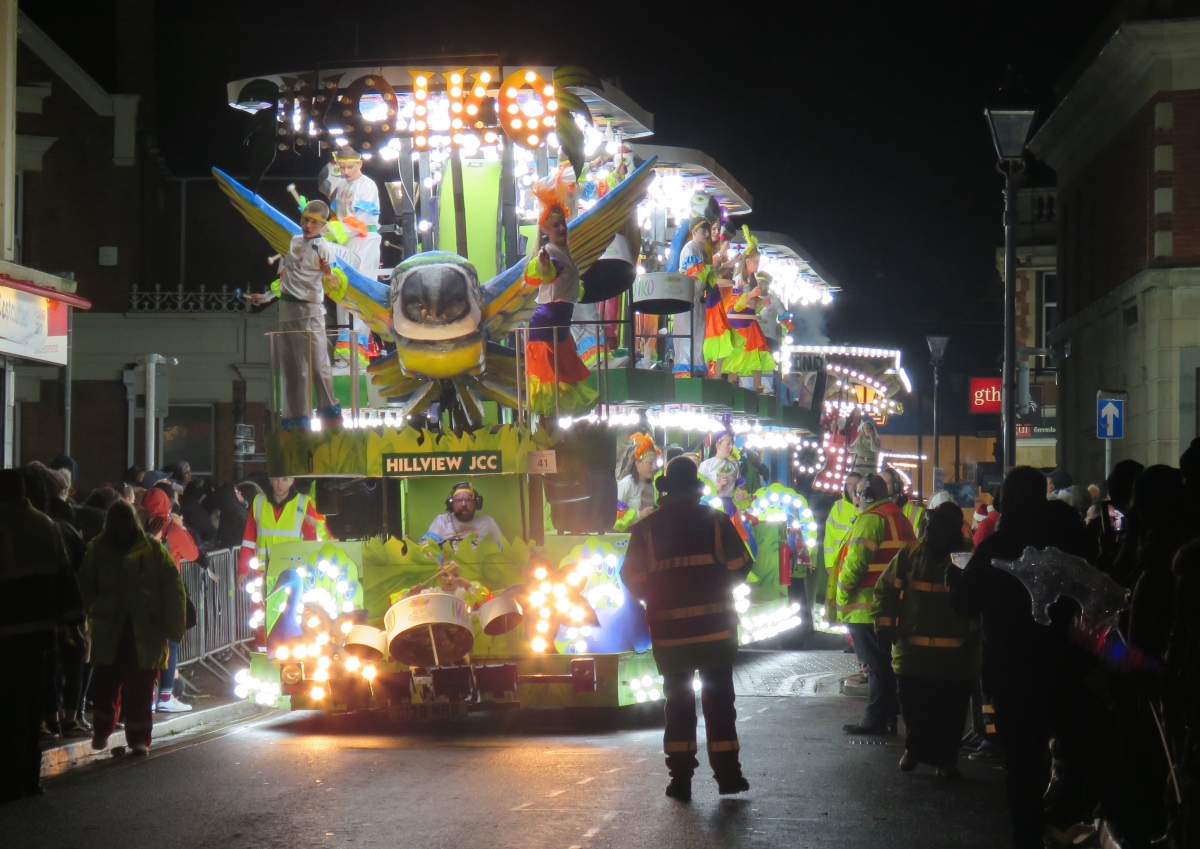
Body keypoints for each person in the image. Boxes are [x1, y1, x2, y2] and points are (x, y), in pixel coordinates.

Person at [948, 465, 1127, 849]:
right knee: (1090, 756)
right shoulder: (1073, 540)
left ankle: (1028, 838)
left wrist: (955, 582)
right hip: (1070, 668)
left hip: (1014, 673)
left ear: (1009, 499)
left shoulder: (1001, 546)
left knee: (1024, 767)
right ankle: (1124, 826)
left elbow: (966, 601)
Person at [621, 457, 752, 801]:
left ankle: (680, 780)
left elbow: (632, 579)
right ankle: (728, 777)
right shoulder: (717, 523)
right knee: (720, 702)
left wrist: (658, 598)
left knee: (677, 703)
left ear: (665, 491)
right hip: (715, 631)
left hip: (670, 634)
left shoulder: (646, 529)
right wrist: (719, 587)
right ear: (697, 488)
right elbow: (741, 565)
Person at [873, 502, 980, 778]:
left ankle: (945, 761)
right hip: (913, 654)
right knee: (913, 708)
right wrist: (884, 627)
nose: (930, 529)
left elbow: (983, 601)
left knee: (951, 713)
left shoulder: (969, 557)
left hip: (956, 655)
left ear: (952, 529)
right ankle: (914, 749)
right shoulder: (910, 554)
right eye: (930, 523)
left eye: (937, 524)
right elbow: (886, 590)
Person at [80, 501, 186, 757]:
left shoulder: (99, 550)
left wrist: (79, 623)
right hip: (138, 631)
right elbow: (174, 590)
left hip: (122, 631)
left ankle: (112, 734)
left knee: (115, 686)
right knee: (132, 687)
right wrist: (174, 627)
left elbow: (84, 589)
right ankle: (134, 739)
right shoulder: (151, 549)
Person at [0, 469, 79, 802]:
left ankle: (7, 780)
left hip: (6, 630)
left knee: (7, 706)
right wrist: (72, 624)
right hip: (42, 631)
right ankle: (30, 781)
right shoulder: (47, 526)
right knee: (33, 706)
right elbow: (66, 579)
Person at [829, 472, 916, 735]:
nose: (854, 496)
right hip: (892, 604)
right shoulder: (898, 518)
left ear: (867, 495)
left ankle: (876, 718)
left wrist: (842, 593)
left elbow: (855, 564)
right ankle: (888, 716)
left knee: (876, 666)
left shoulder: (871, 519)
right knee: (886, 664)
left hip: (866, 608)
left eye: (857, 491)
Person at [248, 199, 346, 431]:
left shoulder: (324, 248)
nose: (308, 225)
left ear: (322, 225)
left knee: (318, 366)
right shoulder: (293, 241)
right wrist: (267, 297)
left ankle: (330, 416)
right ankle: (296, 420)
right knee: (291, 369)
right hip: (287, 311)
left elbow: (333, 277)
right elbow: (286, 276)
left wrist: (330, 276)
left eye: (314, 221)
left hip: (310, 310)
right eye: (305, 219)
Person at [523, 170, 599, 415]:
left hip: (560, 328)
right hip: (548, 328)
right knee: (552, 391)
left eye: (563, 223)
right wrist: (544, 265)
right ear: (545, 230)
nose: (561, 228)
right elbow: (539, 272)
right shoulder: (550, 253)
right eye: (555, 225)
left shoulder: (563, 252)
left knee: (563, 386)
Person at [239, 476, 321, 649]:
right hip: (263, 572)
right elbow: (249, 539)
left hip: (293, 575)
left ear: (292, 481)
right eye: (276, 479)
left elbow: (312, 542)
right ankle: (263, 656)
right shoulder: (258, 503)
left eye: (284, 479)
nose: (279, 484)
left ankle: (289, 656)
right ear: (270, 479)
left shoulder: (304, 503)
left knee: (292, 617)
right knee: (261, 618)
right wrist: (242, 571)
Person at [722, 227, 774, 393]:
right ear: (747, 261)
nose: (758, 265)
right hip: (739, 324)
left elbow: (752, 306)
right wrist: (750, 295)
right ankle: (731, 384)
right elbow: (734, 305)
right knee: (737, 356)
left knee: (758, 352)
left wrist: (760, 302)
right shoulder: (739, 280)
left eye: (759, 262)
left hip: (750, 322)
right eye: (756, 262)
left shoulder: (752, 280)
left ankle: (757, 385)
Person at [672, 217, 711, 378]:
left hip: (697, 298)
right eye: (704, 230)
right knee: (688, 332)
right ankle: (685, 370)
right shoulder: (690, 248)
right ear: (694, 231)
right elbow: (694, 272)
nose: (707, 234)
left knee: (698, 334)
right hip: (688, 296)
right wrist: (711, 267)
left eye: (707, 231)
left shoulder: (700, 249)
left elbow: (704, 276)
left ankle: (696, 367)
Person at [821, 471, 862, 612]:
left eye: (856, 483)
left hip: (859, 564)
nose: (852, 486)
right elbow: (829, 538)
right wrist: (829, 564)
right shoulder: (838, 507)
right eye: (849, 484)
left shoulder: (868, 506)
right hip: (839, 565)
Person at [424, 482, 504, 548]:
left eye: (468, 500)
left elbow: (502, 548)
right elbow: (426, 546)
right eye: (458, 500)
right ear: (451, 504)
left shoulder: (487, 522)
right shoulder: (442, 521)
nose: (464, 504)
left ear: (477, 503)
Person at [615, 432, 660, 531]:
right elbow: (615, 516)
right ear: (637, 464)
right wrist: (639, 514)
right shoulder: (627, 484)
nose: (654, 467)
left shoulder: (649, 486)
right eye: (650, 463)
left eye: (655, 463)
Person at [883, 467, 925, 538]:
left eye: (885, 484)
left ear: (897, 486)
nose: (881, 487)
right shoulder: (873, 511)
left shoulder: (915, 512)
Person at [209, 483, 249, 551]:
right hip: (236, 550)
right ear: (232, 496)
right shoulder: (238, 512)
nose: (240, 492)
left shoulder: (229, 510)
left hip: (229, 548)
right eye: (236, 491)